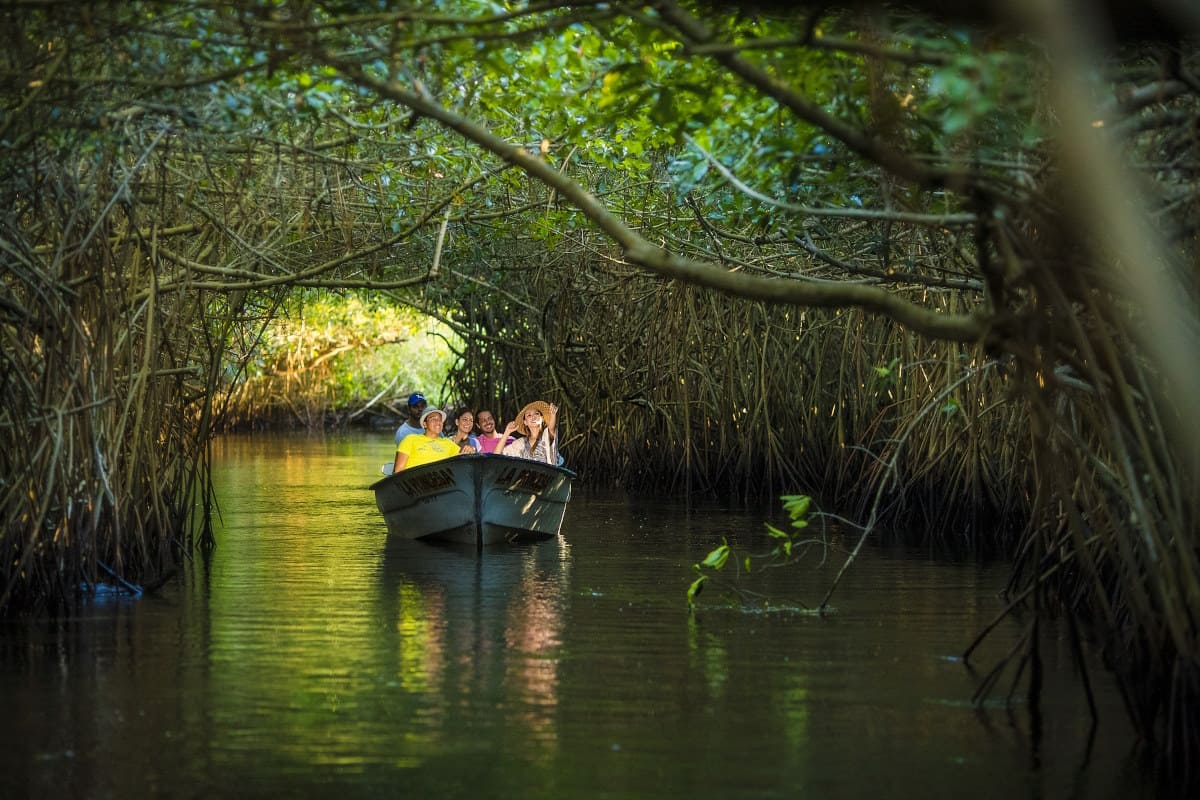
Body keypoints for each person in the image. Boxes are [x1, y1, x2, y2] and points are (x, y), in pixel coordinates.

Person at [393, 407, 468, 472]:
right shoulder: (410, 439)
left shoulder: (448, 443)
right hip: (415, 483)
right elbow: (398, 471)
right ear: (425, 424)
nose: (438, 422)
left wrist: (469, 450)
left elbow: (462, 459)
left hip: (442, 482)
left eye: (440, 419)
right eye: (433, 419)